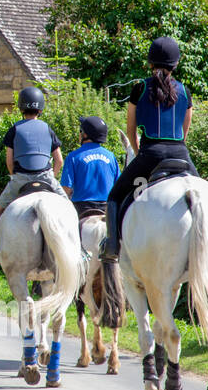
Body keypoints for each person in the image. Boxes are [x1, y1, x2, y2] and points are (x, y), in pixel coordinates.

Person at [100, 36, 197, 266]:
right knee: (201, 195)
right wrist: (177, 150)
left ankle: (112, 246)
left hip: (150, 154)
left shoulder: (140, 88)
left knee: (114, 196)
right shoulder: (185, 90)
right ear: (176, 64)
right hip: (180, 154)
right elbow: (185, 131)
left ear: (150, 63)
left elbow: (131, 128)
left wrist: (138, 152)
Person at [0, 86, 68, 269]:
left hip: (21, 178)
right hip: (46, 177)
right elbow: (59, 160)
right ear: (41, 109)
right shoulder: (47, 128)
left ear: (20, 108)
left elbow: (9, 161)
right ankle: (81, 250)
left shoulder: (14, 129)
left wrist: (15, 177)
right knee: (70, 209)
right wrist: (51, 176)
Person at [60, 115, 120, 218]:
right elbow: (118, 185)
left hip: (82, 209)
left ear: (85, 135)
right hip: (107, 209)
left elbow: (66, 189)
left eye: (80, 131)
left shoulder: (73, 156)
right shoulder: (111, 157)